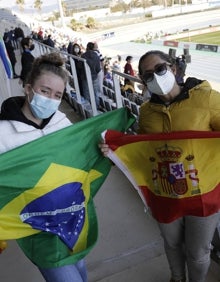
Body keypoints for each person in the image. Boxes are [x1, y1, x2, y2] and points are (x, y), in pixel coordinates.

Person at [100, 50, 220, 282]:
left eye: (160, 69)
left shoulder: (207, 99)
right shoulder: (146, 112)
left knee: (198, 252)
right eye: (147, 75)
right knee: (172, 243)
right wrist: (116, 154)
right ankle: (176, 278)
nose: (155, 76)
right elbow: (145, 151)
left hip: (203, 192)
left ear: (173, 68)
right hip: (163, 190)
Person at [0, 52, 87, 282]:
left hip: (71, 219)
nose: (50, 99)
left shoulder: (63, 122)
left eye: (57, 95)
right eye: (44, 91)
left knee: (81, 272)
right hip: (35, 228)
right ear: (28, 88)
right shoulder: (3, 132)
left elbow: (81, 155)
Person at [81, 42, 101, 108]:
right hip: (94, 77)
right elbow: (98, 69)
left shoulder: (83, 56)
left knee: (86, 92)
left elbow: (80, 66)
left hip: (85, 77)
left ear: (87, 47)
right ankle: (96, 107)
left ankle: (88, 108)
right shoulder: (96, 56)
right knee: (96, 93)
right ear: (93, 48)